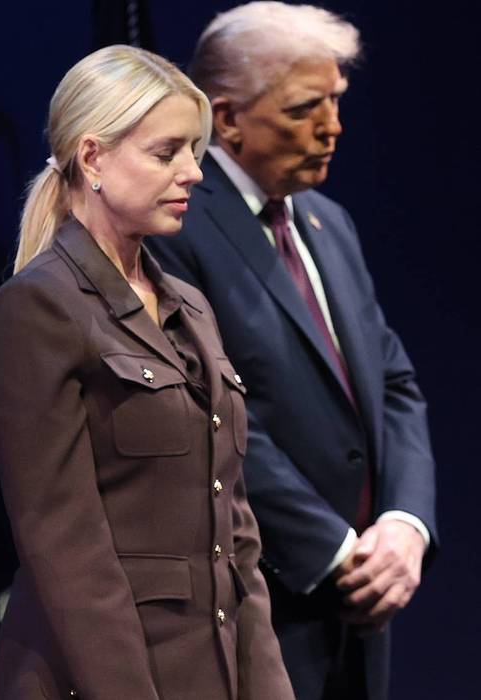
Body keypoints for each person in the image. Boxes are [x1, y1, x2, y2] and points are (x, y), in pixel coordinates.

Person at [0, 45, 294, 699]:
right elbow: (64, 544)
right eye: (165, 152)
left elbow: (237, 542)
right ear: (92, 158)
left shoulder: (189, 306)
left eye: (193, 150)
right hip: (103, 680)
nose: (193, 173)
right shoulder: (39, 307)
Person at [144, 4, 437, 698]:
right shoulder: (174, 228)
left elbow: (393, 383)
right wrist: (333, 551)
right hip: (262, 601)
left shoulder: (328, 222)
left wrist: (404, 526)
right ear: (227, 118)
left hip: (364, 602)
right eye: (305, 108)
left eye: (335, 100)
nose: (332, 127)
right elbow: (203, 414)